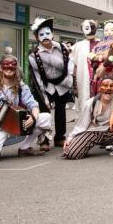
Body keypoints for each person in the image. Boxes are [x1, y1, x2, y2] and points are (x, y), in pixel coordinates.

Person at [0, 55, 51, 162]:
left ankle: (25, 148)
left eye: (12, 68)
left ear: (16, 69)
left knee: (46, 118)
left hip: (16, 124)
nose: (8, 70)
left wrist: (34, 118)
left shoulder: (21, 86)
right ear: (1, 68)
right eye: (6, 67)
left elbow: (33, 105)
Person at [63, 74, 113, 159]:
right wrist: (70, 138)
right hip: (94, 132)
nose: (108, 89)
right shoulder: (91, 103)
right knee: (72, 154)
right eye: (105, 86)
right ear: (99, 88)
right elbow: (81, 125)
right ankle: (84, 146)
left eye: (111, 86)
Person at [28, 17, 74, 148]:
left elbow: (70, 63)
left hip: (62, 84)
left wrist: (69, 79)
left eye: (48, 33)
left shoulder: (62, 48)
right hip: (45, 86)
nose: (45, 37)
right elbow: (36, 77)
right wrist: (43, 97)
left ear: (52, 34)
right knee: (44, 112)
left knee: (61, 111)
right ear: (37, 37)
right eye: (41, 34)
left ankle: (60, 137)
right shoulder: (33, 55)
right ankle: (44, 140)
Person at [71, 19, 99, 114]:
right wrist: (74, 86)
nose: (90, 30)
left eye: (93, 27)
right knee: (84, 108)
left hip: (99, 82)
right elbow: (73, 67)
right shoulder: (78, 46)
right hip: (83, 82)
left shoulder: (102, 44)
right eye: (87, 28)